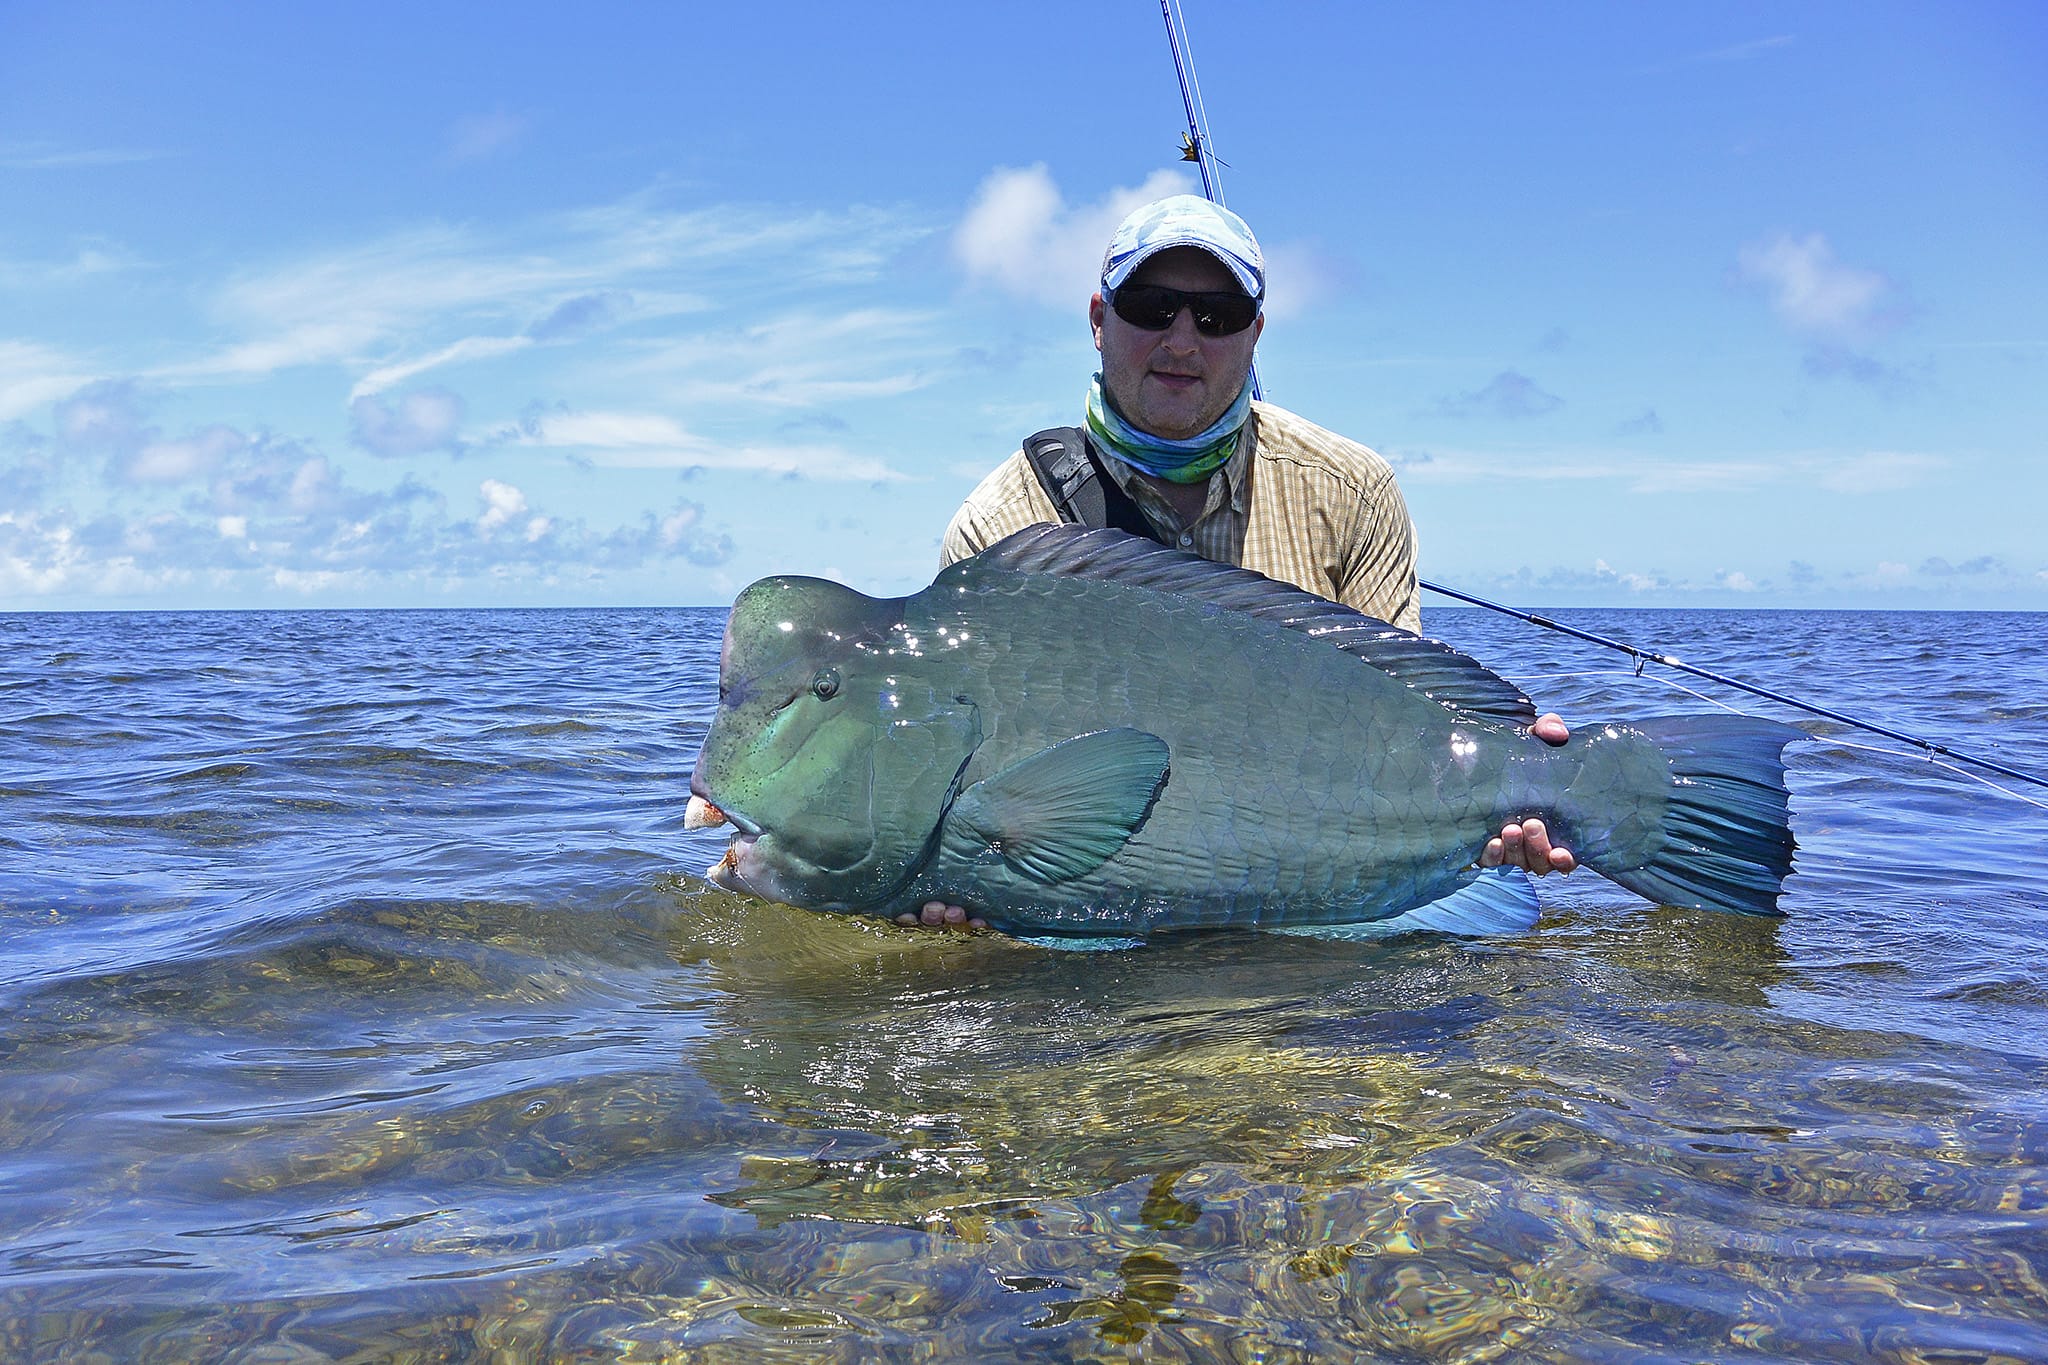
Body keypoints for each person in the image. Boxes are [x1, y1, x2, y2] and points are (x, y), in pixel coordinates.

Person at [907, 195, 1573, 930]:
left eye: (1217, 314)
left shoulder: (1354, 489)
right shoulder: (998, 528)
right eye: (1152, 306)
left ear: (1256, 332)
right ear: (1099, 318)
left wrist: (1514, 771)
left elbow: (1408, 718)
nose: (1182, 340)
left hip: (1321, 916)